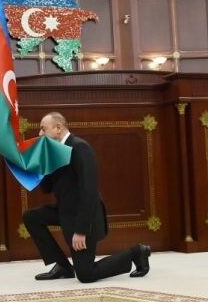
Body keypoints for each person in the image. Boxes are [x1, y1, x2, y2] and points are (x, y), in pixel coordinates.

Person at [23, 112, 151, 283]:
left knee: (86, 274)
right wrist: (44, 163)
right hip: (66, 211)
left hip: (85, 216)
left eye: (43, 129)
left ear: (58, 128)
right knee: (31, 217)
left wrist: (81, 230)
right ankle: (63, 266)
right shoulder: (54, 152)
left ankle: (136, 252)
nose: (40, 134)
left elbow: (89, 191)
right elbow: (46, 189)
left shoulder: (80, 148)